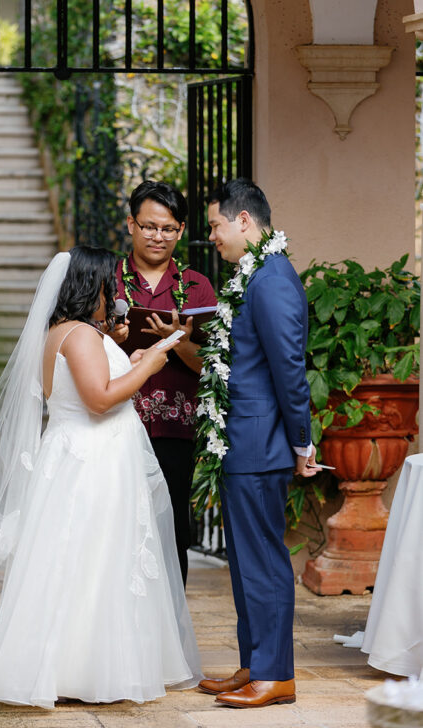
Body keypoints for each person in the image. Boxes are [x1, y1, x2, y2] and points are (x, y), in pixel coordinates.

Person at [0, 246, 202, 708]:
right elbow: (99, 399)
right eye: (107, 285)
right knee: (95, 560)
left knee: (83, 560)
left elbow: (89, 385)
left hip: (79, 457)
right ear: (88, 286)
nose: (114, 293)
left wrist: (127, 355)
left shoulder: (70, 332)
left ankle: (79, 663)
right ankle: (86, 670)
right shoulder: (79, 335)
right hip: (94, 463)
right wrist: (149, 367)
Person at [198, 178, 319, 709]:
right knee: (246, 562)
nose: (213, 237)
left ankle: (276, 675)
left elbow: (290, 370)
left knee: (264, 561)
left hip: (260, 443)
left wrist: (302, 443)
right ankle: (254, 663)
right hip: (241, 442)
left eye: (215, 226)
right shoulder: (256, 274)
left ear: (243, 220)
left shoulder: (270, 280)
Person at [113, 181, 216, 585]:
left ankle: (169, 629)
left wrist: (179, 343)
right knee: (117, 526)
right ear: (131, 225)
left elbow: (211, 366)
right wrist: (118, 341)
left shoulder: (198, 287)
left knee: (172, 529)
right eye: (150, 226)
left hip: (176, 429)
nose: (159, 236)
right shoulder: (108, 280)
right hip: (117, 423)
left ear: (180, 230)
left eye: (169, 229)